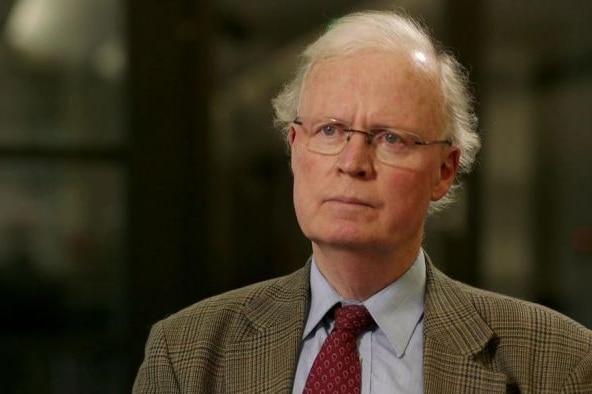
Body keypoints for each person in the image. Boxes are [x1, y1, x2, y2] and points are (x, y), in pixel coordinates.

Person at [133, 9, 592, 393]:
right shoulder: (186, 353)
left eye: (390, 138)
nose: (353, 162)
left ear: (445, 171)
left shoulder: (558, 362)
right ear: (295, 147)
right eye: (330, 130)